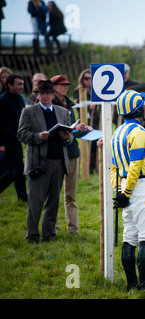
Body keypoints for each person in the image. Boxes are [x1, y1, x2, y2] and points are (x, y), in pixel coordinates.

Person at [111, 90, 145, 291]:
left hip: (124, 187)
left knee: (129, 236)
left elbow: (113, 166)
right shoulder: (138, 132)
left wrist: (119, 190)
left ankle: (131, 285)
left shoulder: (116, 132)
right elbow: (136, 164)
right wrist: (128, 192)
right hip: (139, 186)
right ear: (138, 110)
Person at [17, 80, 73, 243]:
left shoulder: (63, 112)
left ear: (53, 94)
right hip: (38, 163)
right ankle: (32, 236)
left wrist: (68, 138)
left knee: (54, 201)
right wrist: (37, 137)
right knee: (35, 202)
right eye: (41, 94)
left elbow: (71, 136)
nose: (45, 97)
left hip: (58, 162)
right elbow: (21, 134)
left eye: (48, 93)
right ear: (37, 96)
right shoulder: (28, 112)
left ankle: (49, 234)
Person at [51, 74, 92, 235]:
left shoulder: (69, 104)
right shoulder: (49, 105)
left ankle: (73, 229)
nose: (65, 87)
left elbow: (69, 128)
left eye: (67, 84)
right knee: (53, 194)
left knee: (71, 194)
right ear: (53, 87)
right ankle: (51, 228)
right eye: (61, 84)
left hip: (72, 152)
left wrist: (78, 128)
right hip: (56, 154)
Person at [0, 74, 28, 202]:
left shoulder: (20, 99)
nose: (21, 87)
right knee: (15, 169)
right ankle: (23, 196)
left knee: (17, 169)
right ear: (10, 85)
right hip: (6, 140)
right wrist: (0, 144)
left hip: (17, 139)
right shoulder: (3, 100)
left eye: (22, 84)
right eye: (19, 84)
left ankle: (22, 196)